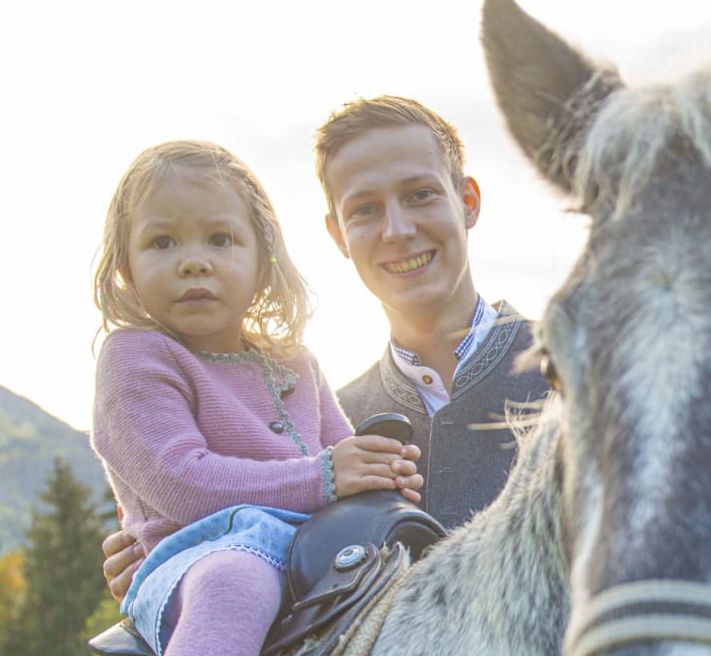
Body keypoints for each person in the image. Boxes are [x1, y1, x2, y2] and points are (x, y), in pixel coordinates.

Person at [89, 140, 421, 656]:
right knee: (234, 582)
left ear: (263, 260)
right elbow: (180, 479)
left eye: (220, 239)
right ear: (126, 268)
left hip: (308, 560)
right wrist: (327, 478)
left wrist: (386, 480)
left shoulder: (295, 363)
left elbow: (341, 456)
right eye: (162, 242)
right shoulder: (136, 358)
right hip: (193, 558)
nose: (193, 261)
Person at [102, 97, 549, 600]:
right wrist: (177, 563)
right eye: (365, 210)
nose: (398, 230)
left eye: (421, 195)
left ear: (467, 201)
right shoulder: (333, 436)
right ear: (338, 234)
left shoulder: (583, 375)